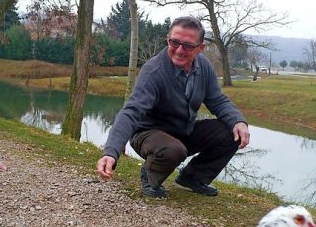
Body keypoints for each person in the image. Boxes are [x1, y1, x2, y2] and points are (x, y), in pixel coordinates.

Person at [96, 16, 250, 198]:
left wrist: (238, 121)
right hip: (148, 134)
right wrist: (111, 151)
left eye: (188, 46)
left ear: (201, 48)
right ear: (168, 39)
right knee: (173, 150)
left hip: (183, 131)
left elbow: (218, 100)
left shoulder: (204, 67)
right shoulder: (154, 71)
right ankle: (150, 176)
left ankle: (192, 178)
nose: (179, 50)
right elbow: (131, 112)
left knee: (231, 132)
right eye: (174, 42)